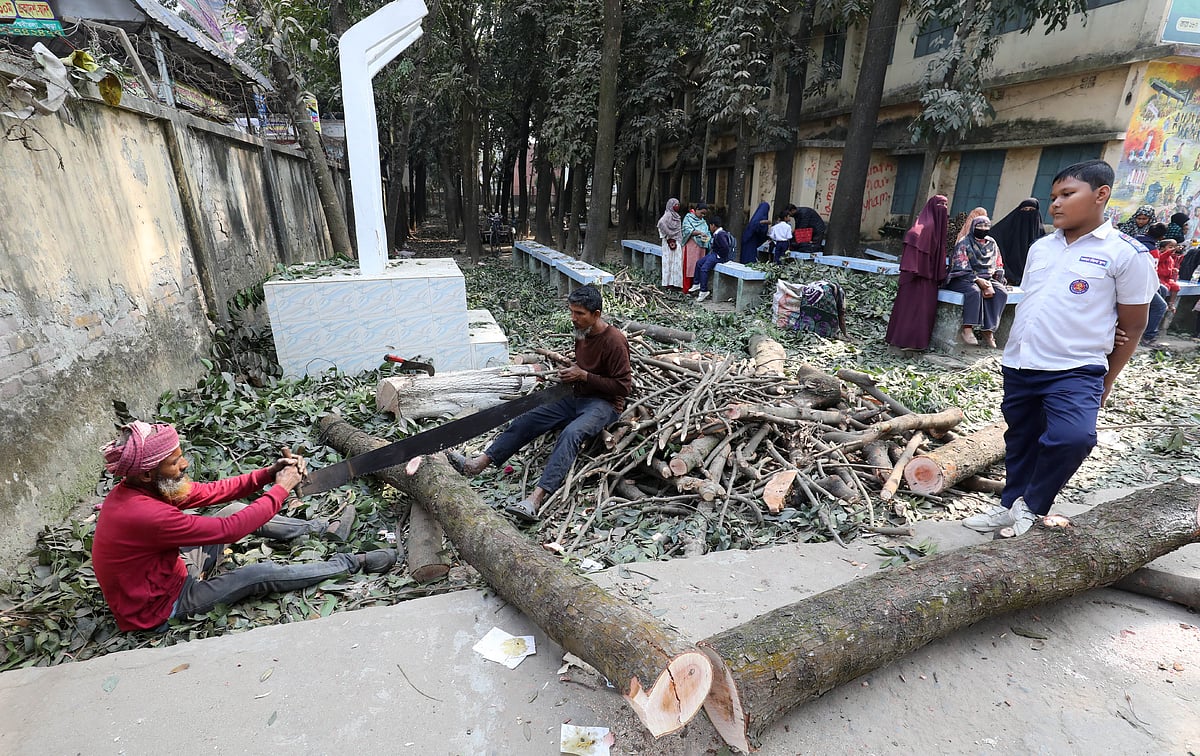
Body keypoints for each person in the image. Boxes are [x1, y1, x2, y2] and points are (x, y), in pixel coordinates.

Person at [962, 160, 1157, 537]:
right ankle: (1009, 507)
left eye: (1068, 194)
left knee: (1072, 438)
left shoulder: (1126, 254)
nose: (1056, 204)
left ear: (1101, 194)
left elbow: (1133, 326)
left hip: (1076, 367)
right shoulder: (1041, 248)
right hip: (1021, 363)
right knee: (1020, 439)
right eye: (1054, 197)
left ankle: (1033, 505)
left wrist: (1108, 379)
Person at [92, 421, 397, 632]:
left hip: (171, 570)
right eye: (174, 462)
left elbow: (211, 492)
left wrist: (269, 474)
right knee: (257, 574)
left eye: (180, 455)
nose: (183, 464)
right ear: (147, 474)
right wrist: (282, 489)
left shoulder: (147, 487)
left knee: (237, 507)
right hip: (161, 607)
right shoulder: (143, 514)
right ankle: (349, 563)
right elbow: (230, 530)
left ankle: (322, 528)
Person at [451, 285, 632, 522]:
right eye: (572, 312)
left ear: (596, 314)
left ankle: (535, 499)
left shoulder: (614, 341)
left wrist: (584, 376)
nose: (573, 318)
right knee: (528, 418)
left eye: (580, 314)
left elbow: (623, 387)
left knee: (571, 433)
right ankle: (477, 465)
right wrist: (571, 373)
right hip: (577, 397)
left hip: (605, 405)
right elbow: (583, 370)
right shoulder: (582, 333)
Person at [885, 195, 950, 351]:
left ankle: (917, 344)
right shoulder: (922, 228)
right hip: (916, 279)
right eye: (940, 204)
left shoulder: (937, 228)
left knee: (923, 313)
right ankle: (903, 341)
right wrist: (917, 266)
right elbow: (913, 240)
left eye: (946, 205)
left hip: (929, 280)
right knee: (911, 310)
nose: (944, 208)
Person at [942, 215, 1008, 347]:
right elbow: (961, 266)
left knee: (1001, 292)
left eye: (986, 226)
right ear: (973, 227)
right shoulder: (964, 242)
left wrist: (996, 281)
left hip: (986, 277)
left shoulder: (992, 243)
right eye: (980, 226)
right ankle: (967, 329)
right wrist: (977, 280)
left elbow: (998, 264)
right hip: (963, 277)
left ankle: (988, 330)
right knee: (974, 291)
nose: (983, 229)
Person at [988, 198, 1045, 285]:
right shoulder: (1006, 230)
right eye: (1025, 210)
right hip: (1008, 278)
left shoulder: (1042, 236)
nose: (1028, 213)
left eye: (1031, 210)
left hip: (1032, 281)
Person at [1142, 238, 1183, 345]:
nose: (1173, 249)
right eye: (1170, 247)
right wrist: (1171, 251)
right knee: (1160, 305)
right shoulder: (1159, 255)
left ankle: (1171, 304)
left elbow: (1170, 269)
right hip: (1158, 280)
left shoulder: (1171, 259)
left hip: (1165, 281)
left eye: (1174, 247)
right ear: (1162, 248)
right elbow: (1161, 258)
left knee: (1173, 288)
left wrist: (1173, 271)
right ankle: (1148, 336)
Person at [695, 216, 735, 302]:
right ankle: (696, 283)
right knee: (699, 263)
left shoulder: (721, 234)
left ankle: (703, 291)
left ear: (713, 225)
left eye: (710, 226)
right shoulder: (718, 233)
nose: (710, 228)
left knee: (704, 269)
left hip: (719, 256)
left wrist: (719, 256)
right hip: (714, 254)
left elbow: (725, 248)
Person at [681, 202, 710, 294]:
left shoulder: (703, 221)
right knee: (689, 266)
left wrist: (707, 237)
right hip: (691, 246)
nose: (702, 215)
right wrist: (699, 233)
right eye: (701, 213)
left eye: (704, 214)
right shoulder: (688, 218)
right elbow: (686, 230)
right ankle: (687, 289)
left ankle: (697, 288)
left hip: (701, 247)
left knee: (698, 266)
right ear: (696, 210)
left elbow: (707, 231)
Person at [657, 198, 683, 289]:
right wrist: (669, 234)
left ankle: (676, 283)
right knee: (668, 262)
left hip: (677, 242)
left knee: (677, 262)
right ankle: (667, 283)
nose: (677, 206)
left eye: (678, 204)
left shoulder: (676, 216)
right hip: (668, 243)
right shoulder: (667, 215)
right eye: (676, 204)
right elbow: (660, 223)